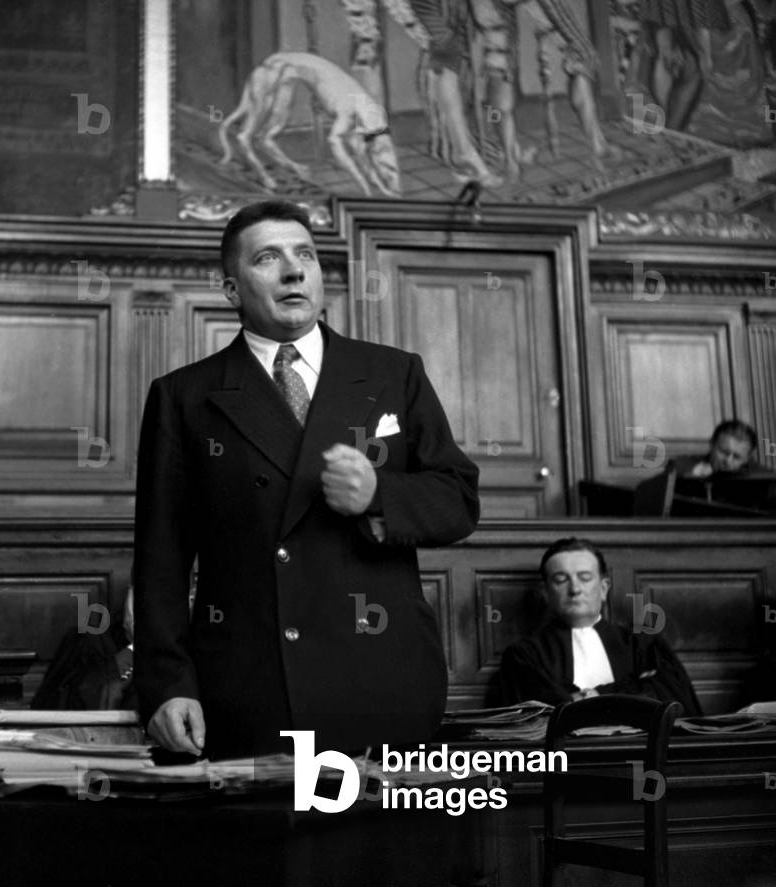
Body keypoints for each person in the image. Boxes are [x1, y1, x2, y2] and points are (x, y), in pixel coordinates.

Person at [133, 200, 479, 759]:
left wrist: (379, 496)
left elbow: (460, 500)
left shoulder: (394, 372)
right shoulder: (184, 396)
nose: (294, 271)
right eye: (268, 258)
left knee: (388, 847)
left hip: (382, 675)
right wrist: (167, 685)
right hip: (253, 685)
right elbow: (160, 561)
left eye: (306, 256)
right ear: (230, 289)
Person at [498, 538, 701, 715]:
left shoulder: (642, 643)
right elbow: (538, 713)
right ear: (546, 593)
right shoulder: (524, 655)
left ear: (603, 589)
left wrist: (591, 696)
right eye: (561, 579)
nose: (575, 589)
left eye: (585, 578)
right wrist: (631, 689)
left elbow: (673, 695)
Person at [672, 419, 759, 479]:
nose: (728, 461)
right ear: (712, 444)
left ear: (747, 458)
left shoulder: (763, 477)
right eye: (724, 452)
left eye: (737, 457)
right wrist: (693, 474)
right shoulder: (683, 466)